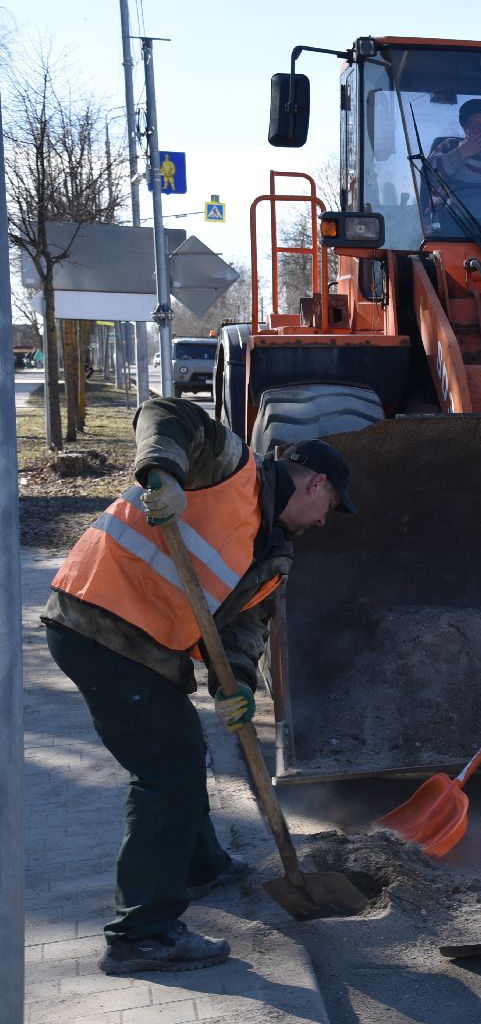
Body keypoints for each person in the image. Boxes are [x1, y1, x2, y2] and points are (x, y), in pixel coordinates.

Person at [42, 397, 355, 976]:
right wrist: (162, 475)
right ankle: (143, 932)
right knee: (169, 770)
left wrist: (234, 685)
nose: (323, 522)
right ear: (314, 483)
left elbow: (242, 630)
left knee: (182, 751)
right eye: (330, 505)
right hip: (98, 621)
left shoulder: (273, 554)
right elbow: (164, 413)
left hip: (138, 647)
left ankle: (202, 865)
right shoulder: (232, 467)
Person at [427, 97, 481, 219]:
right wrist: (461, 153)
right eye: (477, 125)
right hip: (449, 225)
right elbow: (428, 176)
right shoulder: (449, 146)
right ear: (466, 130)